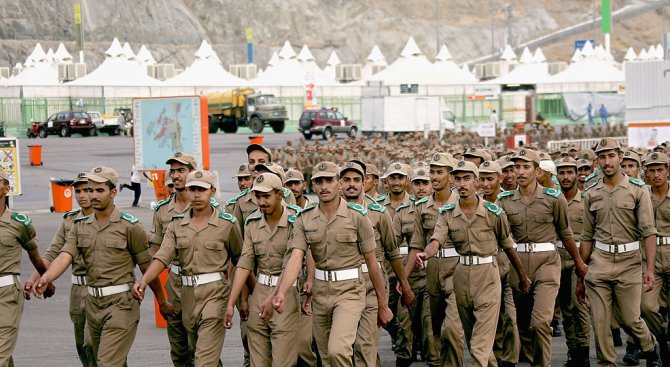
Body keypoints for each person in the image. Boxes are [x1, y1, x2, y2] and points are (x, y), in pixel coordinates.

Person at [34, 166, 173, 366]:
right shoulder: (79, 225)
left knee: (107, 362)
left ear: (113, 192)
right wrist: (46, 278)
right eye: (90, 190)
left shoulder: (130, 226)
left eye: (99, 190)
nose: (92, 195)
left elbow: (146, 265)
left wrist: (161, 301)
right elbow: (64, 256)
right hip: (92, 304)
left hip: (121, 304)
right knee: (94, 354)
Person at [271, 161, 392, 367]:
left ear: (339, 184)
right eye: (318, 181)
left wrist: (382, 304)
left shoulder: (357, 217)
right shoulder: (304, 219)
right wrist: (281, 292)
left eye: (329, 180)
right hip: (320, 293)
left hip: (350, 292)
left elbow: (373, 264)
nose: (324, 186)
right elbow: (296, 257)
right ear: (312, 185)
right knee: (326, 357)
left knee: (338, 351)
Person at [418, 160, 530, 367]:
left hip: (487, 275)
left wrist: (522, 276)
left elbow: (508, 245)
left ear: (477, 182)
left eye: (467, 178)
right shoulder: (447, 213)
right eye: (458, 179)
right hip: (461, 276)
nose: (462, 184)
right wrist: (426, 254)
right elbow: (437, 240)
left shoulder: (493, 213)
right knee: (477, 345)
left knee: (479, 347)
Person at [134, 170, 243, 366]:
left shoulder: (227, 224)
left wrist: (241, 300)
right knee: (196, 353)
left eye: (202, 189)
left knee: (203, 360)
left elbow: (241, 261)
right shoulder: (176, 225)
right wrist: (143, 281)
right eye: (192, 189)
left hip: (215, 293)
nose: (197, 194)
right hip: (187, 294)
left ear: (212, 191)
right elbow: (162, 257)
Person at [497, 148, 587, 367]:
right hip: (517, 264)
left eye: (526, 167)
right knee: (523, 323)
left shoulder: (553, 199)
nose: (520, 172)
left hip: (546, 262)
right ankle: (531, 360)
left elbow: (566, 234)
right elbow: (499, 236)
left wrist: (579, 263)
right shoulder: (505, 201)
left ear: (537, 171)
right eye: (516, 167)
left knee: (540, 323)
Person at [577, 137, 660, 366]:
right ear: (597, 161)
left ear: (620, 157)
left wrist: (649, 269)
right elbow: (586, 235)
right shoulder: (592, 193)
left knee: (630, 319)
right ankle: (607, 363)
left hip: (630, 262)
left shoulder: (637, 191)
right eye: (602, 157)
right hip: (600, 262)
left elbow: (648, 232)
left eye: (611, 156)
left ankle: (650, 346)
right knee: (601, 323)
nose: (607, 161)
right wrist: (581, 274)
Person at [337, 161, 414, 367]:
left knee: (364, 346)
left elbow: (392, 253)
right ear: (339, 184)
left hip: (372, 286)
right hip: (342, 288)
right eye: (346, 180)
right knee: (346, 347)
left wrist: (405, 287)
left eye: (356, 180)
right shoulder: (330, 213)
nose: (351, 185)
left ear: (365, 183)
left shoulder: (379, 213)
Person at [225, 172, 301, 366]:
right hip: (259, 292)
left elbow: (292, 261)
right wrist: (230, 303)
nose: (261, 201)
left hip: (286, 294)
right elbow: (245, 263)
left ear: (280, 194)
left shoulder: (296, 221)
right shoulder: (252, 223)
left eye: (266, 196)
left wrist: (275, 295)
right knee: (257, 360)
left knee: (282, 361)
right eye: (257, 196)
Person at [26, 172, 95, 366]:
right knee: (82, 345)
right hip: (78, 290)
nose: (81, 195)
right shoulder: (69, 220)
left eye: (87, 190)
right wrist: (35, 279)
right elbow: (53, 252)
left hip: (101, 287)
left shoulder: (106, 219)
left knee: (94, 344)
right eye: (78, 191)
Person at [404, 152, 465, 367]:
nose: (435, 177)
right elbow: (416, 245)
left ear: (450, 175)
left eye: (440, 172)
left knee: (452, 329)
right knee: (433, 331)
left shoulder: (463, 202)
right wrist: (405, 280)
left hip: (458, 270)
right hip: (432, 271)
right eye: (433, 172)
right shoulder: (422, 206)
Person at [150, 152, 199, 367]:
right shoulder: (162, 211)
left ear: (193, 173)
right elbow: (155, 250)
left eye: (181, 170)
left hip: (202, 285)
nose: (176, 176)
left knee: (202, 351)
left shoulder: (209, 207)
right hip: (175, 283)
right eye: (173, 171)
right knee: (179, 352)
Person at [0, 169, 48, 366]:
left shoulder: (19, 224)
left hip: (7, 294)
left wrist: (46, 279)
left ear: (6, 188)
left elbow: (35, 257)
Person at [394, 167, 440, 366]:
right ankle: (404, 357)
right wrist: (403, 280)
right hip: (411, 275)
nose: (421, 188)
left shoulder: (445, 210)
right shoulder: (403, 212)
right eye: (417, 183)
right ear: (409, 184)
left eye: (425, 183)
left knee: (431, 328)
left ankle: (433, 359)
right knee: (404, 324)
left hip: (434, 274)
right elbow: (392, 243)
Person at [480, 161, 521, 367]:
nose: (486, 184)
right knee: (491, 318)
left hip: (508, 266)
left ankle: (511, 357)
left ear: (500, 178)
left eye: (490, 179)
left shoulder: (510, 200)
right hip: (487, 269)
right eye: (483, 179)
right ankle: (494, 355)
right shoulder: (475, 203)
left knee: (510, 316)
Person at [555, 157, 591, 366]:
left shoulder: (586, 200)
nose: (566, 177)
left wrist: (585, 263)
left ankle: (584, 354)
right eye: (562, 173)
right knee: (566, 311)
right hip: (558, 260)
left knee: (580, 308)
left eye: (570, 172)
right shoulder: (553, 199)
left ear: (577, 175)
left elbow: (591, 234)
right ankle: (573, 351)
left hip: (581, 259)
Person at [641, 152, 670, 365]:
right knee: (646, 307)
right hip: (650, 257)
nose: (656, 174)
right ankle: (662, 338)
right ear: (646, 173)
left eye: (660, 169)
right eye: (652, 170)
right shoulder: (642, 196)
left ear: (667, 171)